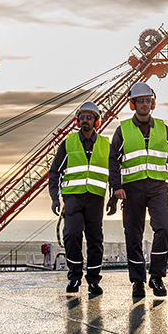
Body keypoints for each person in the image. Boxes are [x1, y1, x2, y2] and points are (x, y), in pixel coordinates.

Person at [108, 81, 168, 298]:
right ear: (133, 104)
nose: (144, 104)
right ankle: (138, 281)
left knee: (165, 226)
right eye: (140, 101)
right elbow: (114, 160)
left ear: (153, 103)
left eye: (147, 100)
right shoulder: (123, 130)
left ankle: (156, 277)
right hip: (131, 189)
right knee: (133, 234)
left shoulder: (162, 128)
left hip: (158, 187)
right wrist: (117, 187)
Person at [47, 101, 109, 295]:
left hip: (96, 199)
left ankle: (93, 280)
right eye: (82, 117)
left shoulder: (105, 145)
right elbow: (54, 172)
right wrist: (55, 197)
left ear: (96, 121)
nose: (85, 120)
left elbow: (114, 172)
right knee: (72, 235)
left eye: (89, 117)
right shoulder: (68, 143)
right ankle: (74, 277)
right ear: (77, 121)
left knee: (95, 240)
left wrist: (115, 198)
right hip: (73, 198)